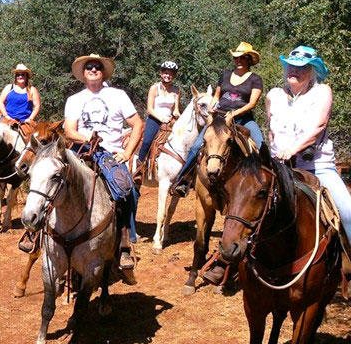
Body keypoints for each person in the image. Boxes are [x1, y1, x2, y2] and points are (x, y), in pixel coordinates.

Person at [63, 54, 143, 275]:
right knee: (53, 181)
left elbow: (137, 124)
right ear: (83, 73)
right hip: (82, 148)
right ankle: (39, 236)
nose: (93, 69)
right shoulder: (75, 99)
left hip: (109, 152)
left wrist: (127, 152)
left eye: (97, 67)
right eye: (89, 67)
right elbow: (70, 130)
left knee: (126, 189)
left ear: (103, 72)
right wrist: (87, 139)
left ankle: (125, 243)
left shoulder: (118, 95)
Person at [267, 45, 351, 245]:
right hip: (279, 167)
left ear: (312, 71)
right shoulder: (273, 95)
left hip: (317, 167)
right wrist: (275, 151)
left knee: (347, 212)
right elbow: (271, 131)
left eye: (302, 67)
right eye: (291, 66)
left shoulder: (322, 91)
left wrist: (292, 150)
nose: (295, 70)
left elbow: (319, 126)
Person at [171, 41, 264, 196]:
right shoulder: (226, 75)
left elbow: (252, 103)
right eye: (236, 58)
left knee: (260, 144)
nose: (239, 61)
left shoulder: (255, 79)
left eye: (242, 58)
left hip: (243, 119)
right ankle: (183, 181)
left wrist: (234, 113)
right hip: (220, 118)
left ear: (249, 59)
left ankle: (262, 184)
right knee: (196, 147)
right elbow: (216, 96)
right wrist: (211, 110)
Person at [136, 61, 181, 166]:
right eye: (165, 73)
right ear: (161, 74)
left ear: (174, 76)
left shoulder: (176, 90)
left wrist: (178, 115)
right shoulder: (154, 88)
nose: (167, 76)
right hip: (155, 119)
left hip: (170, 121)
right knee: (147, 141)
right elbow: (150, 109)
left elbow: (176, 109)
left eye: (170, 74)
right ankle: (140, 165)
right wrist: (161, 119)